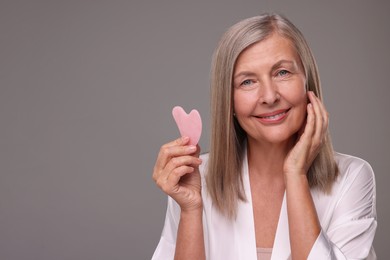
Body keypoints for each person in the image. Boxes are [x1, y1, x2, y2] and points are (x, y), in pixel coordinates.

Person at [151, 13, 377, 260]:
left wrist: (295, 174)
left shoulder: (352, 177)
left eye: (282, 73)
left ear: (307, 82)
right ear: (229, 102)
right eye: (247, 81)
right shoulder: (194, 178)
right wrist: (191, 209)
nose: (269, 96)